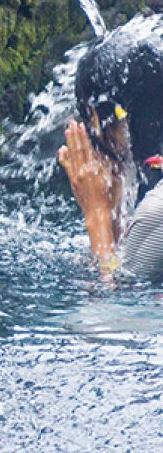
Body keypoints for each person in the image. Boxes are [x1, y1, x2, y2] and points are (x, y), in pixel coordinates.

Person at [58, 23, 163, 280]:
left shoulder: (155, 213)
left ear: (104, 119)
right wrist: (116, 223)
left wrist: (97, 215)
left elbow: (111, 312)